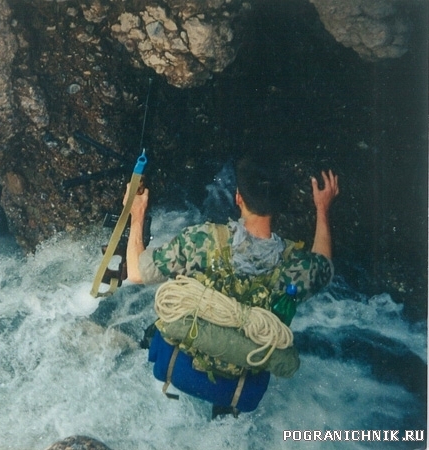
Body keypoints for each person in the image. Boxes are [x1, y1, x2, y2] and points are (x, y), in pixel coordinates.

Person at [123, 158, 339, 418]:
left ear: (238, 198)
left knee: (166, 317)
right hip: (238, 388)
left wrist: (137, 214)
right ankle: (223, 410)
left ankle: (137, 347)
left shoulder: (203, 240)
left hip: (177, 366)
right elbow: (323, 264)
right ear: (279, 207)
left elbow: (136, 273)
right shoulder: (297, 267)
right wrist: (322, 208)